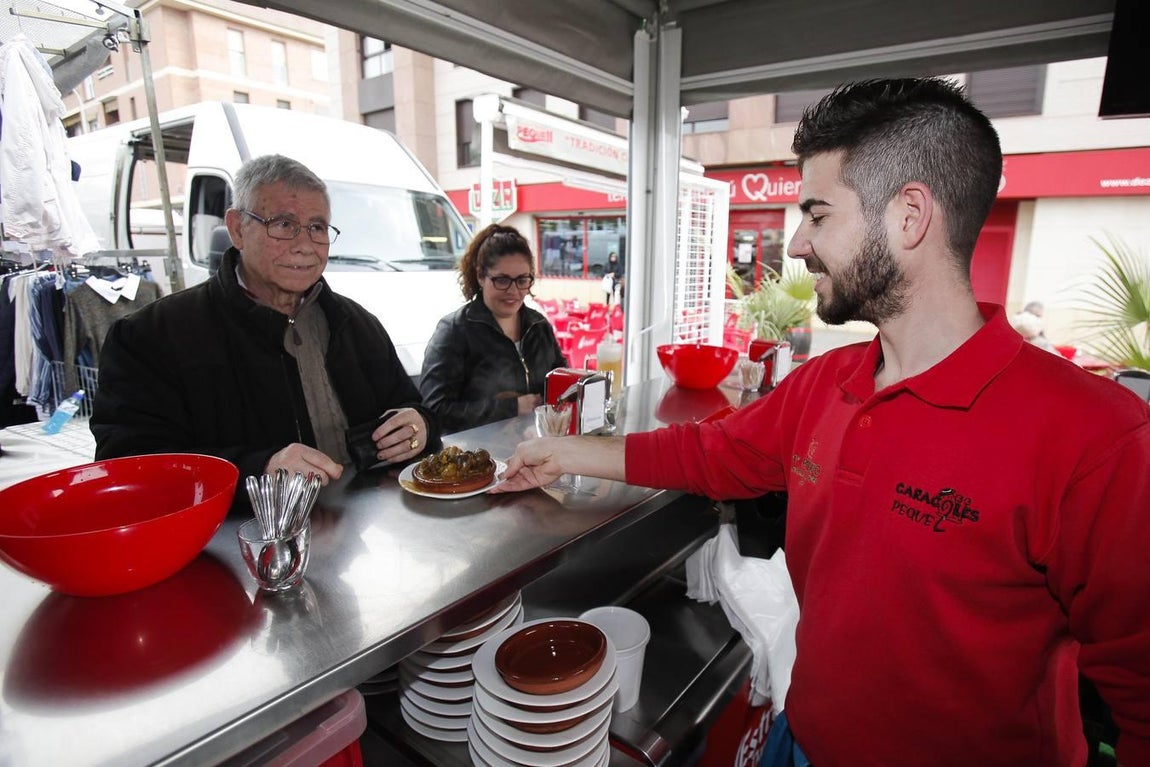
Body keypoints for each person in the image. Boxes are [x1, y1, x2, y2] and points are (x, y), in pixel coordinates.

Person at [494, 79, 1150, 767]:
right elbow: (709, 453)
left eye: (818, 214)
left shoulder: (1095, 436)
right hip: (802, 737)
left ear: (910, 216)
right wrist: (564, 451)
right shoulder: (823, 384)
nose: (797, 244)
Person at [92, 154, 438, 487]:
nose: (305, 245)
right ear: (237, 229)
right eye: (284, 224)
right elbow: (129, 464)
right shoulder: (150, 337)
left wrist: (420, 426)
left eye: (317, 227)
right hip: (239, 526)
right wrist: (257, 470)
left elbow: (412, 407)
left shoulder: (358, 325)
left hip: (362, 522)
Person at [419, 224, 567, 433]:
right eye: (502, 280)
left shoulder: (538, 325)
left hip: (537, 446)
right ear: (481, 276)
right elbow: (435, 411)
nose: (513, 291)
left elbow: (562, 385)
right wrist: (512, 407)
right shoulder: (454, 331)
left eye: (522, 280)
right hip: (475, 451)